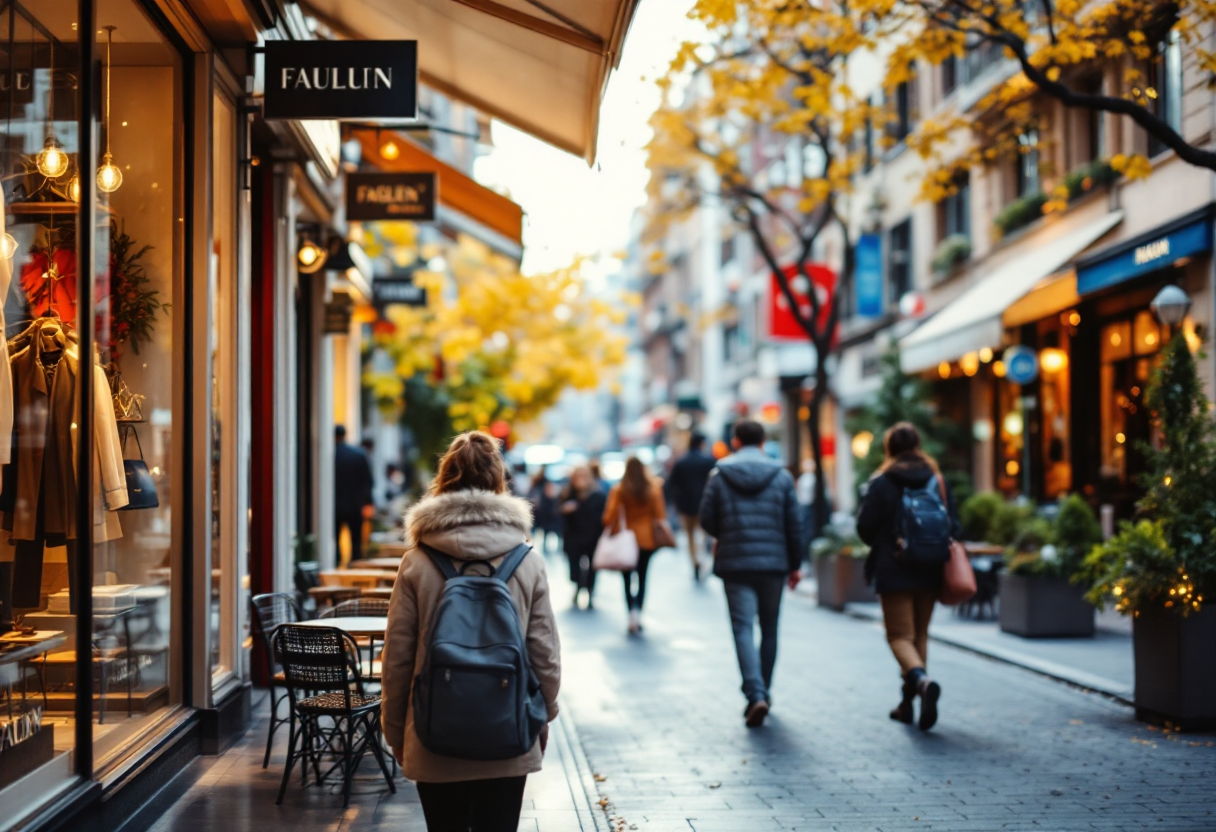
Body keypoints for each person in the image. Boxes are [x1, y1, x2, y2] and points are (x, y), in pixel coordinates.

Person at [380, 431, 561, 831]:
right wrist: (543, 714)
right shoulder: (526, 559)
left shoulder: (417, 560)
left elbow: (397, 656)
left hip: (433, 732)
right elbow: (544, 651)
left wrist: (395, 729)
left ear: (444, 480)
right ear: (499, 482)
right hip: (509, 729)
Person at [856, 422, 960, 732]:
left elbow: (864, 529)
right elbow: (953, 524)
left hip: (894, 569)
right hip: (930, 567)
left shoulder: (881, 482)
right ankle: (908, 703)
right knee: (919, 637)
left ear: (889, 448)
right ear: (918, 444)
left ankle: (921, 682)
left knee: (899, 637)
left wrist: (889, 541)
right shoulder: (935, 480)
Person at [699, 420, 803, 728]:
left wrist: (727, 533)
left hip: (736, 563)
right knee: (769, 628)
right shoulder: (782, 476)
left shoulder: (720, 475)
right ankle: (764, 692)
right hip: (773, 564)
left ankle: (754, 693)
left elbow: (707, 519)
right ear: (762, 443)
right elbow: (794, 524)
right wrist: (795, 564)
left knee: (742, 628)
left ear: (735, 441)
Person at [602, 457, 667, 634]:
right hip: (646, 540)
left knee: (626, 578)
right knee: (643, 576)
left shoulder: (619, 490)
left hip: (625, 540)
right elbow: (660, 515)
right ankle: (638, 612)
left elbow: (608, 517)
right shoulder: (653, 489)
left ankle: (630, 611)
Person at [668, 433, 718, 580]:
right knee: (703, 535)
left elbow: (672, 484)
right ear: (701, 444)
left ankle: (694, 561)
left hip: (685, 507)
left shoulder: (681, 462)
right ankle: (701, 560)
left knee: (690, 537)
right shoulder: (708, 461)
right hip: (705, 506)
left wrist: (676, 502)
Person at [560, 465, 606, 609]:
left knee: (592, 567)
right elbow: (557, 511)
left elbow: (602, 517)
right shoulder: (568, 494)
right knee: (574, 565)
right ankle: (578, 587)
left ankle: (590, 592)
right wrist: (565, 510)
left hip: (593, 537)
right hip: (573, 537)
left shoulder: (598, 495)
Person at [334, 425, 375, 564]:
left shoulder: (329, 456)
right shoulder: (359, 455)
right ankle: (354, 570)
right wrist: (368, 503)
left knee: (334, 544)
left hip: (335, 506)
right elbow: (368, 482)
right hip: (355, 506)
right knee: (356, 544)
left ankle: (336, 568)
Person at [527, 465, 562, 553]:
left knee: (543, 529)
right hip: (541, 510)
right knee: (541, 529)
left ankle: (534, 544)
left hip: (542, 510)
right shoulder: (540, 483)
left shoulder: (543, 482)